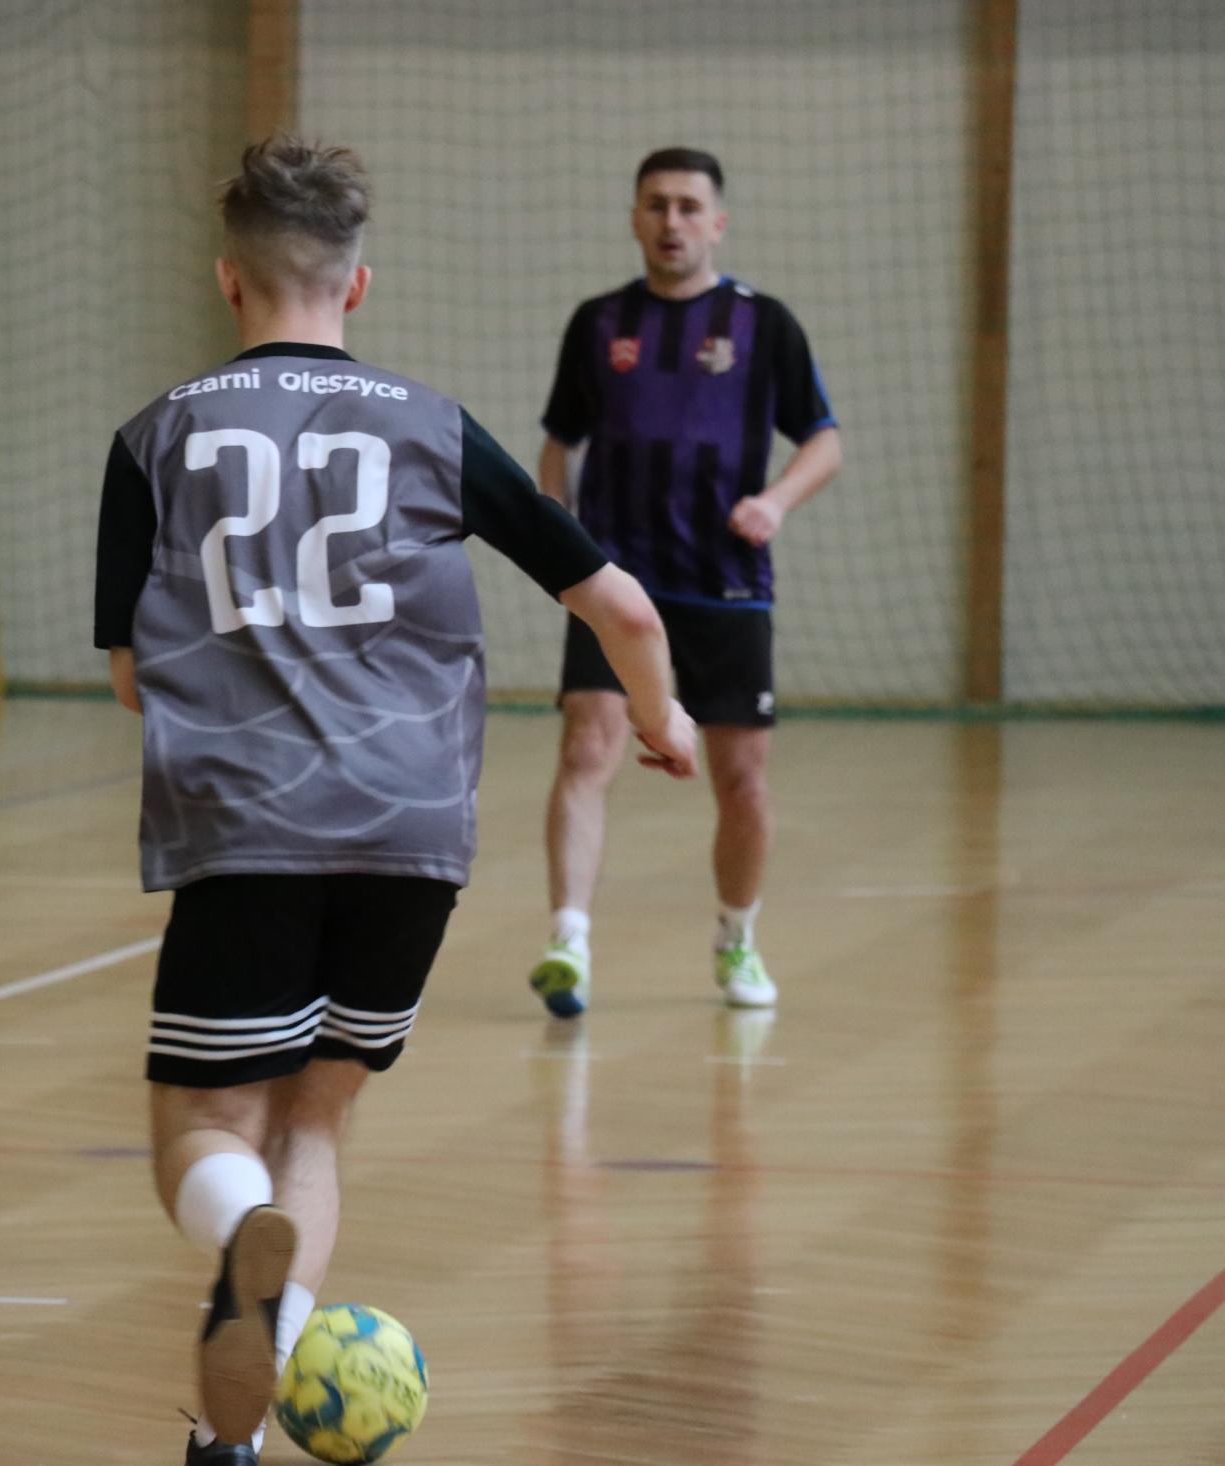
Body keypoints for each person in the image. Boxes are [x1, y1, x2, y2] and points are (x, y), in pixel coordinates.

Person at [93, 134, 696, 1466]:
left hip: (247, 823)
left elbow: (135, 675)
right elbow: (623, 607)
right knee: (317, 1111)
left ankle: (238, 1235)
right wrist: (660, 718)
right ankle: (233, 1436)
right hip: (411, 835)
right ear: (356, 284)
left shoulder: (155, 438)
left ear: (226, 278)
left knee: (205, 1126)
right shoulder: (432, 425)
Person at [527, 146, 843, 1018]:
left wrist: (775, 501)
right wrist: (559, 535)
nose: (672, 221)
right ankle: (568, 942)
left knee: (741, 779)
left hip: (726, 584)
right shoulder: (599, 324)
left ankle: (737, 936)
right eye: (657, 204)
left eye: (688, 206)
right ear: (635, 218)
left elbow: (824, 439)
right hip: (617, 583)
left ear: (717, 223)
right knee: (587, 749)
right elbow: (559, 442)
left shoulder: (763, 324)